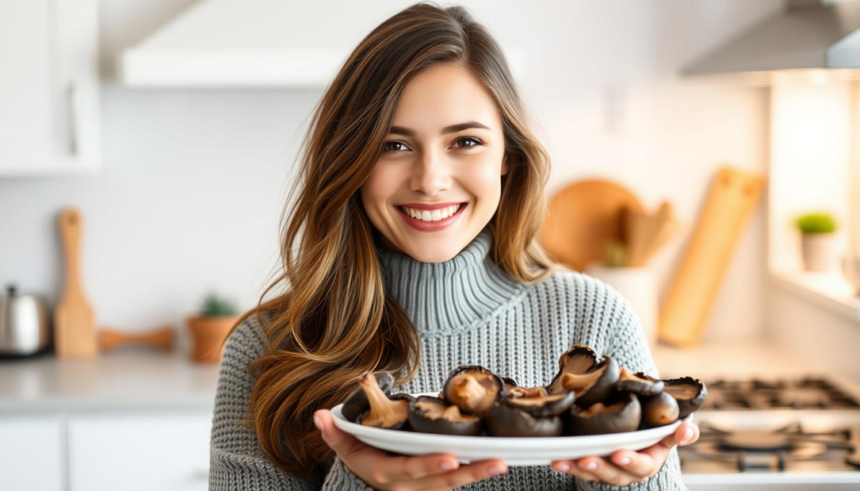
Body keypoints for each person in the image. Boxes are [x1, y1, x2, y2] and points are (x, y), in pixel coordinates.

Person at [208, 2, 700, 490]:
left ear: (507, 155)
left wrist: (628, 481)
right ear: (350, 159)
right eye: (393, 145)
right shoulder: (267, 348)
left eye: (465, 141)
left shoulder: (595, 319)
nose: (430, 180)